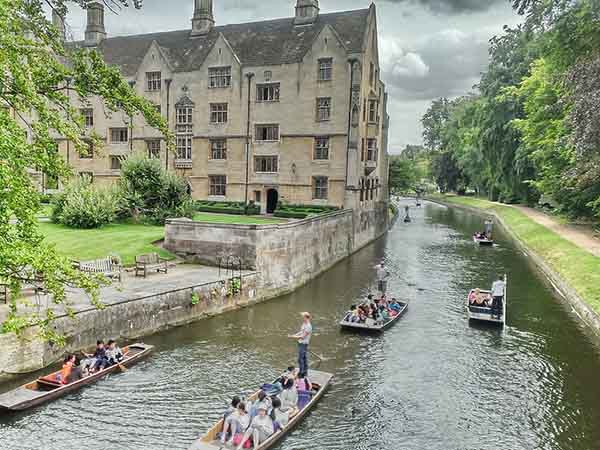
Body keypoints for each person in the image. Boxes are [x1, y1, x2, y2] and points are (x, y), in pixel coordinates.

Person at [288, 312, 312, 376]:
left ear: (306, 317)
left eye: (303, 317)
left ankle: (301, 372)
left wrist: (293, 337)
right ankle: (305, 371)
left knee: (300, 359)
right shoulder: (304, 323)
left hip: (304, 344)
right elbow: (301, 332)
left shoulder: (308, 326)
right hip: (300, 343)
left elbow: (303, 336)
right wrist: (294, 335)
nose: (302, 318)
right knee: (304, 358)